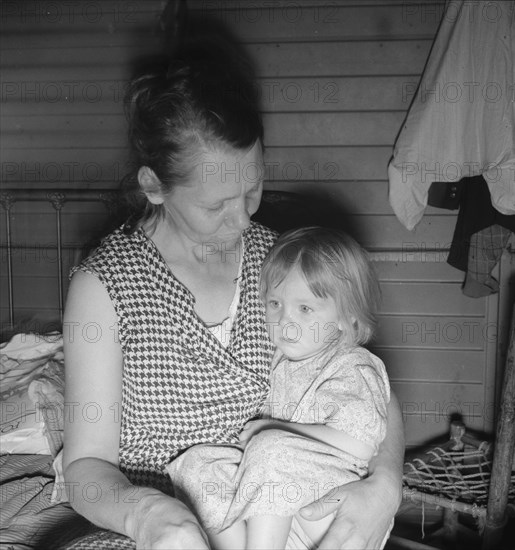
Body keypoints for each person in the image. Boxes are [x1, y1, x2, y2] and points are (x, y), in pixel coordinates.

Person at [62, 45, 404, 550]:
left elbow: (364, 380)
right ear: (154, 186)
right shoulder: (105, 287)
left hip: (281, 509)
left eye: (253, 190)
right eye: (217, 204)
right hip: (161, 519)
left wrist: (386, 484)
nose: (243, 220)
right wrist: (152, 516)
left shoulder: (278, 258)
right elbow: (86, 469)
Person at [167, 227, 392, 550]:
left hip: (330, 506)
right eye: (275, 304)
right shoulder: (280, 360)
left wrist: (275, 428)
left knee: (271, 448)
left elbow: (360, 444)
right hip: (279, 508)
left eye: (305, 309)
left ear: (346, 316)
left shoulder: (351, 365)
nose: (284, 321)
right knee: (199, 464)